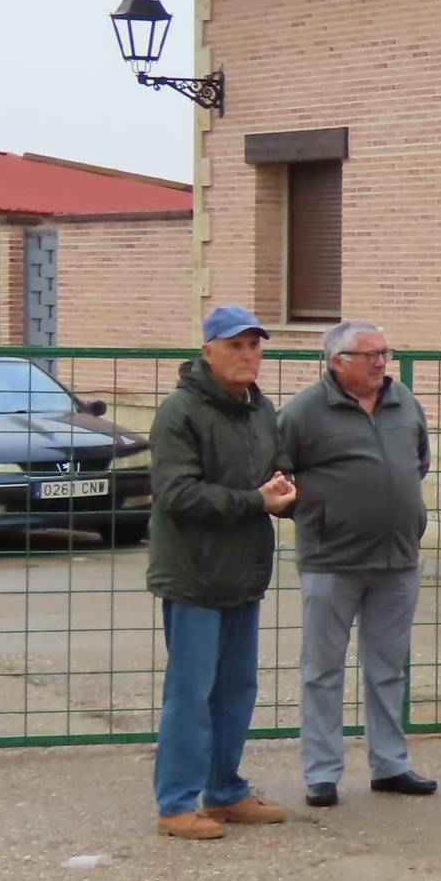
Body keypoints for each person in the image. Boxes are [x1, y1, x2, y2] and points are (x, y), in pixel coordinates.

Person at [147, 305, 300, 839]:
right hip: (193, 574)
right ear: (207, 350)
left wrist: (286, 493)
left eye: (254, 345)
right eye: (235, 345)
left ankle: (226, 791)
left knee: (236, 688)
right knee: (190, 692)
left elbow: (277, 471)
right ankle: (175, 803)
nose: (247, 355)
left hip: (244, 572)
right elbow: (175, 492)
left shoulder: (261, 410)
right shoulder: (179, 412)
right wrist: (254, 502)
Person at [276, 319, 436, 808]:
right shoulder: (304, 412)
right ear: (337, 362)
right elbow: (276, 475)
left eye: (385, 352)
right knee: (322, 670)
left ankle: (391, 765)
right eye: (370, 355)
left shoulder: (404, 401)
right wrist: (315, 511)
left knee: (388, 668)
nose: (381, 363)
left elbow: (420, 461)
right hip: (332, 561)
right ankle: (322, 772)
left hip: (397, 560)